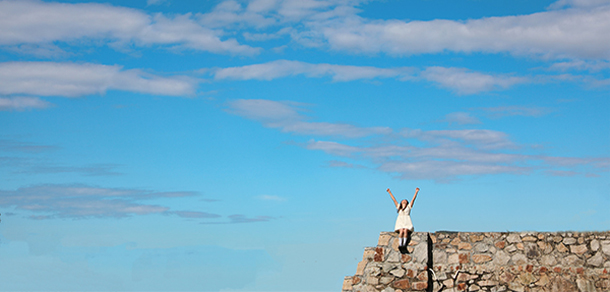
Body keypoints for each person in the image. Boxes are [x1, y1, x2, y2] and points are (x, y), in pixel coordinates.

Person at [386, 187, 419, 252]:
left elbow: (413, 200)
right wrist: (389, 192)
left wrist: (416, 192)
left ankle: (404, 244)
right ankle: (400, 244)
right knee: (401, 231)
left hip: (407, 221)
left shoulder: (408, 207)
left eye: (405, 201)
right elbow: (394, 200)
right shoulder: (399, 207)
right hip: (400, 221)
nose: (404, 201)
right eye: (403, 201)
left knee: (405, 230)